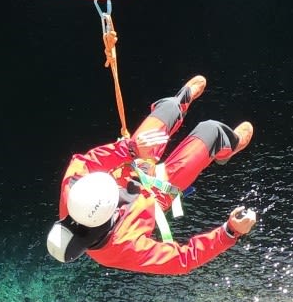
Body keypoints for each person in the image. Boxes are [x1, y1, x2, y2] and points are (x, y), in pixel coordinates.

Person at [46, 75, 255, 275]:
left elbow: (84, 161)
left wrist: (129, 149)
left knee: (168, 109)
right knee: (211, 131)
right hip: (156, 193)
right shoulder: (121, 249)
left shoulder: (73, 194)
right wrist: (229, 232)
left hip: (131, 163)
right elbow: (183, 260)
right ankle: (228, 145)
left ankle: (178, 104)